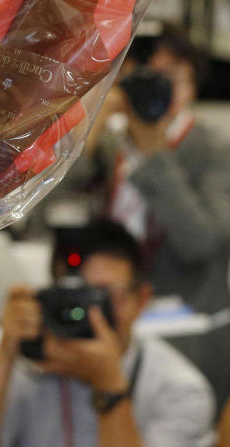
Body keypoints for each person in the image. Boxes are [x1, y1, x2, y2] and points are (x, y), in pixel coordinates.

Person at [63, 22, 230, 403]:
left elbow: (202, 244)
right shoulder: (111, 144)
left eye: (168, 76)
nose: (154, 87)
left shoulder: (216, 150)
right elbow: (46, 214)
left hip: (189, 335)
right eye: (141, 76)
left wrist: (155, 152)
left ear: (192, 83)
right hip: (110, 330)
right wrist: (88, 129)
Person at [0, 220, 215, 447]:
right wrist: (5, 350)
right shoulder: (34, 365)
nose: (87, 313)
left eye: (103, 296)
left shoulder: (179, 388)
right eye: (75, 297)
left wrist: (109, 386)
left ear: (141, 300)